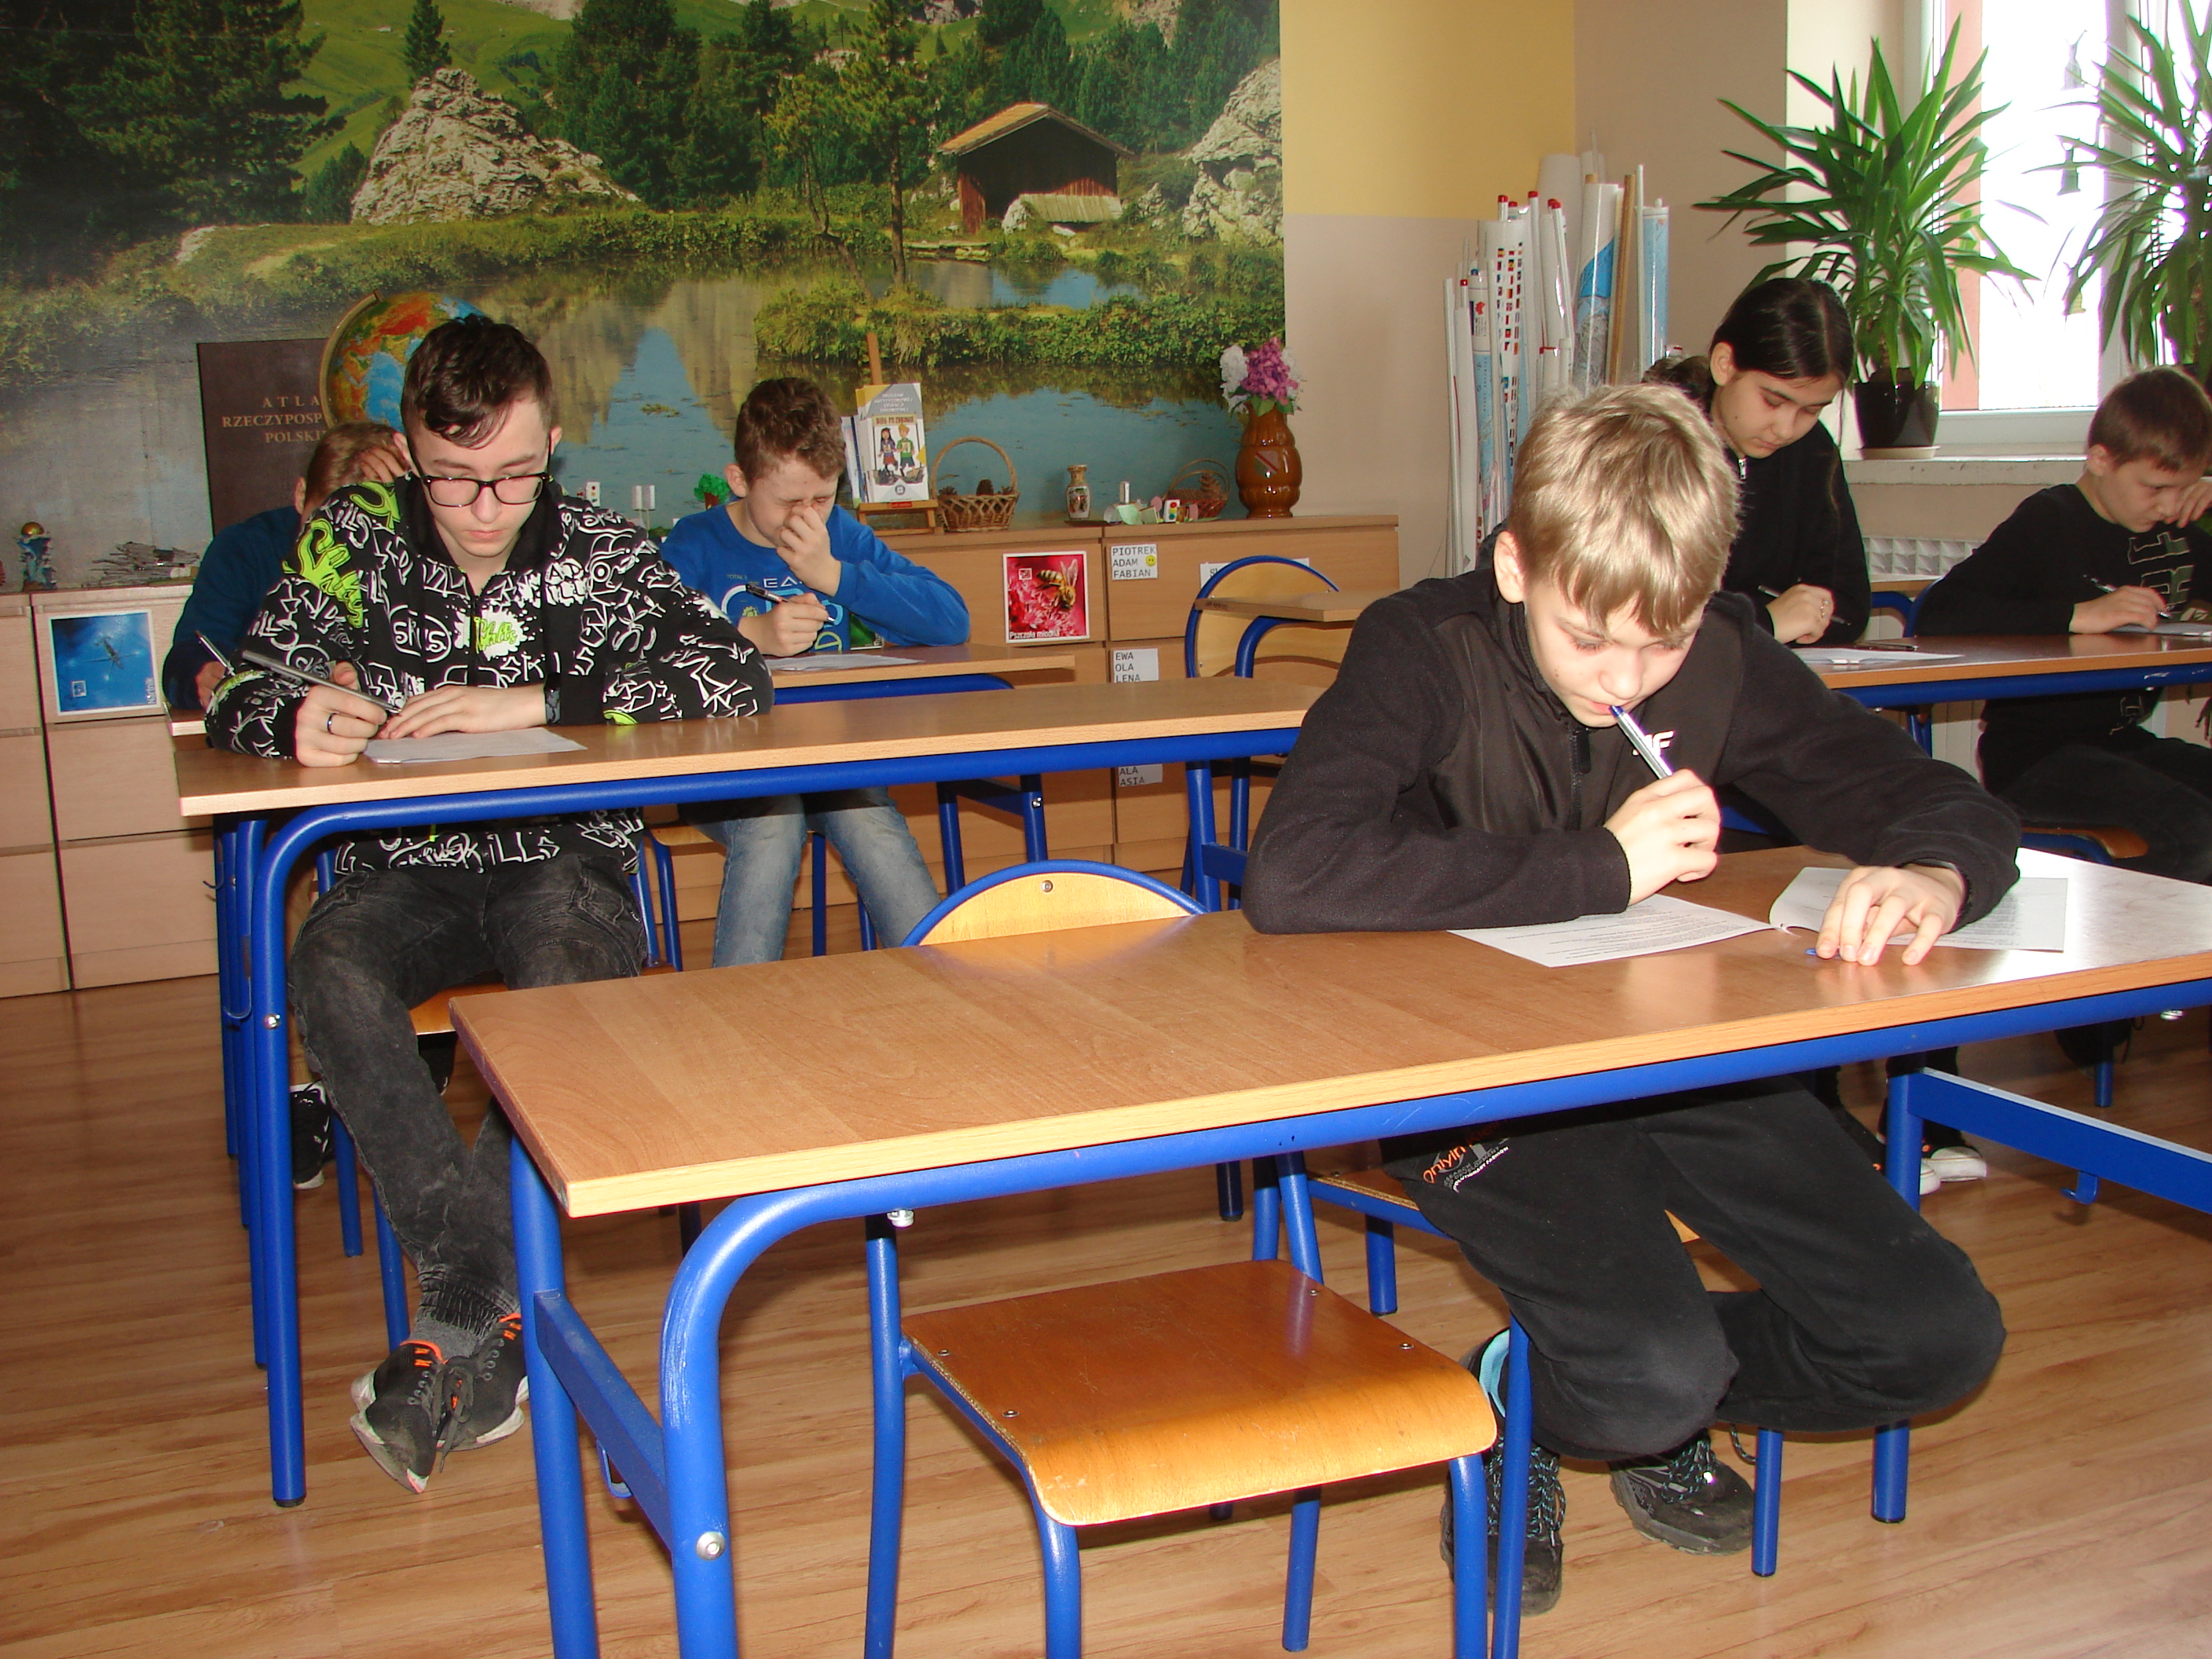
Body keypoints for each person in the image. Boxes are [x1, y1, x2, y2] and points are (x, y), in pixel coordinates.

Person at [1241, 385, 2013, 1613]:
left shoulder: (1720, 657)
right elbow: (1293, 871)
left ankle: (1584, 1380)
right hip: (1476, 1082)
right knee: (1653, 1372)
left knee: (1933, 1336)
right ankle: (1580, 1397)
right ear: (1515, 568)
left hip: (1681, 1058)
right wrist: (1601, 866)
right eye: (1590, 639)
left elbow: (1920, 793)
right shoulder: (1424, 646)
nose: (1628, 679)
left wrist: (1936, 871)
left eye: (1665, 642)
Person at [205, 317, 771, 1492]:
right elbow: (232, 685)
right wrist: (292, 717)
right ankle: (482, 1296)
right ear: (410, 451)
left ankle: (456, 1318)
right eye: (451, 478)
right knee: (329, 966)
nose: (482, 508)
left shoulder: (599, 547)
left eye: (513, 476)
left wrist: (544, 699)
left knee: (568, 982)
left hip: (563, 863)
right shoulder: (354, 540)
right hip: (403, 865)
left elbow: (734, 672)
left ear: (553, 444)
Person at [1917, 365, 2212, 1069]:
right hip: (2037, 755)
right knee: (2193, 828)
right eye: (2154, 487)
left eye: (2184, 487)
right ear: (2101, 460)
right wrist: (2077, 615)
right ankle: (2105, 1004)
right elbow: (1941, 613)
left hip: (2122, 742)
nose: (2168, 504)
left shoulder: (2180, 529)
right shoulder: (2049, 522)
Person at [660, 377, 968, 965]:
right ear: (739, 480)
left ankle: (943, 984)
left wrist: (834, 575)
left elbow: (950, 619)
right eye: (786, 502)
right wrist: (749, 636)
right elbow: (645, 647)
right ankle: (740, 1009)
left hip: (829, 758)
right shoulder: (694, 543)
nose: (806, 517)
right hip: (725, 771)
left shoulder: (840, 536)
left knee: (868, 819)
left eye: (822, 499)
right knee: (773, 823)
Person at [1646, 276, 1871, 646]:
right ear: (1725, 365)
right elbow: (1645, 611)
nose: (1786, 429)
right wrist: (1766, 622)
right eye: (1773, 401)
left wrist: (1768, 621)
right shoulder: (1654, 441)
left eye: (1811, 410)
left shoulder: (1812, 449)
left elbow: (1847, 606)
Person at [163, 421, 407, 709]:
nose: (336, 552)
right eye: (322, 530)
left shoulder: (431, 551)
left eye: (364, 534)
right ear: (301, 496)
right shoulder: (246, 549)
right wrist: (201, 676)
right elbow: (186, 659)